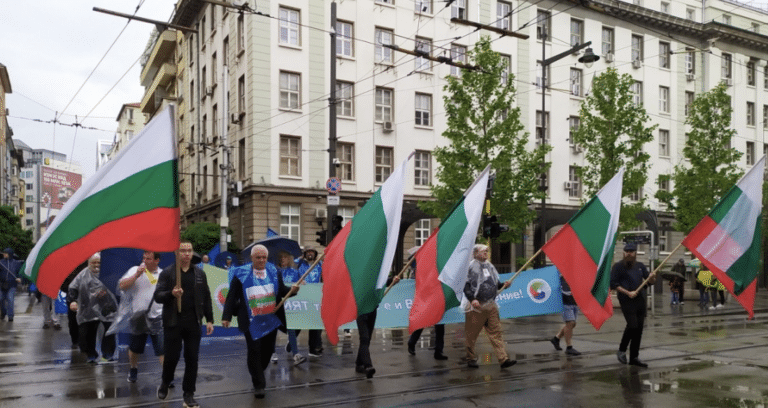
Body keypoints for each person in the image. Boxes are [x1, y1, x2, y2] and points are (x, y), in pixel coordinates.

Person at [222, 244, 299, 399]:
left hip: (270, 319)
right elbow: (232, 296)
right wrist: (226, 316)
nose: (261, 260)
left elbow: (282, 291)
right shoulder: (241, 273)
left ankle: (256, 371)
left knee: (268, 350)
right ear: (252, 258)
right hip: (251, 321)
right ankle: (259, 384)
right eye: (258, 257)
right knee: (255, 350)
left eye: (264, 257)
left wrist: (293, 291)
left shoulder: (273, 271)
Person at [154, 241, 214, 408]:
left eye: (189, 251)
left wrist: (209, 320)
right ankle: (165, 382)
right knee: (171, 358)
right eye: (183, 251)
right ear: (177, 253)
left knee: (192, 359)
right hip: (173, 322)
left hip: (193, 322)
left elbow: (206, 297)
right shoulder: (167, 273)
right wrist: (171, 294)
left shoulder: (199, 274)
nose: (186, 254)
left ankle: (189, 394)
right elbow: (158, 296)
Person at [463, 244, 516, 369]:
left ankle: (503, 359)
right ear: (476, 253)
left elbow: (495, 283)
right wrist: (472, 299)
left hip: (491, 305)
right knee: (472, 334)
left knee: (496, 332)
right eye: (484, 251)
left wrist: (504, 285)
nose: (487, 253)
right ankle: (470, 358)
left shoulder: (490, 266)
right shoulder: (470, 267)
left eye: (487, 251)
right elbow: (466, 285)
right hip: (477, 307)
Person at [118, 251, 165, 383]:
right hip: (138, 317)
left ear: (157, 260)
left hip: (158, 317)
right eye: (144, 258)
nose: (145, 261)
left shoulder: (163, 274)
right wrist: (136, 275)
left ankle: (166, 376)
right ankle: (133, 368)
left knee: (162, 350)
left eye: (148, 259)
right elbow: (122, 286)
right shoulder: (134, 270)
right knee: (134, 349)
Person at [610, 242, 656, 368]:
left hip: (640, 300)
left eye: (631, 251)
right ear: (624, 252)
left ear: (635, 253)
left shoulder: (640, 266)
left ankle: (634, 357)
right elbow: (613, 284)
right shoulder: (618, 266)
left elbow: (649, 282)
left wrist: (652, 277)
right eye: (627, 251)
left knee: (639, 329)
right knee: (632, 325)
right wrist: (627, 292)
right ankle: (621, 350)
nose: (629, 253)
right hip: (626, 300)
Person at [68, 253, 119, 363]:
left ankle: (108, 354)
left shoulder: (109, 272)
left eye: (99, 262)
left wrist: (106, 291)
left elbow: (118, 286)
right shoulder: (82, 274)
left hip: (107, 307)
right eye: (93, 262)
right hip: (88, 308)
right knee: (85, 335)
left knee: (109, 331)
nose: (96, 265)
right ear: (89, 263)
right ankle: (91, 354)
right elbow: (73, 288)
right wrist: (72, 301)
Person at [407, 260, 447, 360]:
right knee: (422, 322)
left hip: (438, 299)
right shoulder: (423, 265)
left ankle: (438, 351)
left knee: (440, 327)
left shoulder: (440, 264)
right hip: (426, 299)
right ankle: (411, 342)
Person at [276, 251, 305, 365]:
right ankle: (294, 353)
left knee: (295, 327)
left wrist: (303, 283)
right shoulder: (275, 271)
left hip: (292, 303)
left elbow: (300, 283)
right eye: (281, 257)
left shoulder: (294, 271)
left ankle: (292, 347)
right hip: (279, 304)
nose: (283, 259)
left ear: (289, 259)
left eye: (285, 257)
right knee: (275, 328)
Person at [295, 247, 324, 357]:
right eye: (308, 252)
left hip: (315, 295)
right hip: (302, 296)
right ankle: (291, 340)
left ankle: (314, 347)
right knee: (299, 323)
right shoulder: (299, 263)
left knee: (316, 322)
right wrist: (300, 258)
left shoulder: (319, 264)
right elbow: (290, 266)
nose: (310, 254)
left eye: (312, 252)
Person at [550, 275, 581, 356]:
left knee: (572, 324)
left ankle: (556, 338)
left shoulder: (575, 272)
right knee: (570, 323)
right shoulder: (559, 272)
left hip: (574, 301)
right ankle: (569, 347)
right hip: (565, 302)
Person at [0, 247, 22, 322]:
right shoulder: (1, 262)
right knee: (1, 299)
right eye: (3, 253)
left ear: (9, 254)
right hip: (2, 285)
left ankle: (10, 316)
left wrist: (19, 278)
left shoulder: (16, 263)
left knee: (10, 299)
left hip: (12, 285)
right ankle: (3, 312)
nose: (4, 254)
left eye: (5, 253)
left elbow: (20, 273)